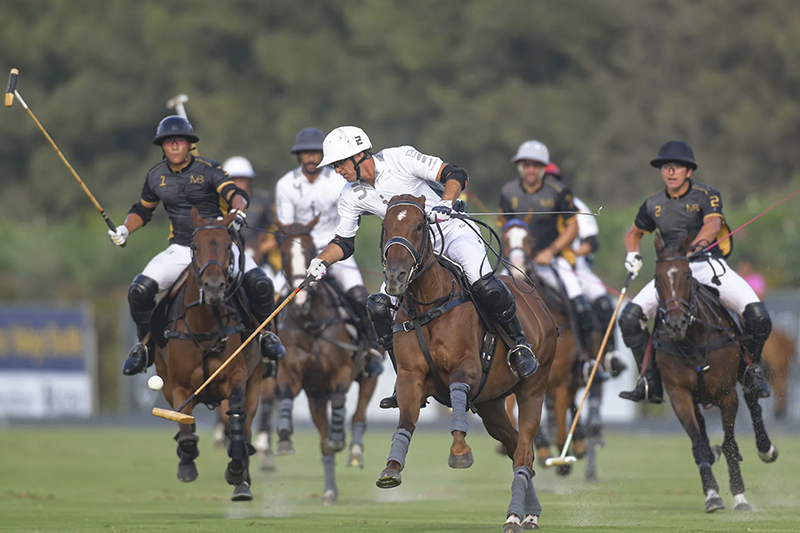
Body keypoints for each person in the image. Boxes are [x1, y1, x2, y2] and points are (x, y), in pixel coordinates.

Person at [305, 126, 540, 409]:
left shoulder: (399, 158)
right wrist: (321, 261)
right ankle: (401, 377)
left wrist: (446, 202)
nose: (337, 171)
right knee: (379, 307)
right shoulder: (351, 194)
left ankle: (519, 345)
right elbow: (344, 241)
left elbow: (455, 174)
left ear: (359, 155)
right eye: (334, 166)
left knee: (484, 284)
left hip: (451, 231)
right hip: (414, 252)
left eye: (339, 164)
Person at [109, 116, 285, 375]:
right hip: (181, 248)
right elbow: (143, 211)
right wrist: (125, 228)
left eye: (180, 141)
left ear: (190, 144)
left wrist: (239, 210)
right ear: (162, 147)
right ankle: (144, 347)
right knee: (139, 291)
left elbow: (236, 194)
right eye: (169, 142)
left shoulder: (209, 169)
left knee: (261, 284)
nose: (175, 146)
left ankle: (265, 337)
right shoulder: (155, 176)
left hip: (217, 246)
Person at [618, 140, 771, 403]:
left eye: (677, 167)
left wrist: (695, 247)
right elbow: (634, 233)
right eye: (666, 167)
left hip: (705, 266)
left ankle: (750, 371)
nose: (670, 172)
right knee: (629, 318)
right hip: (671, 272)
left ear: (689, 171)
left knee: (758, 316)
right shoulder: (653, 203)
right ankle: (650, 381)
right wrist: (632, 253)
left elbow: (712, 224)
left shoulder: (706, 194)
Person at [275, 127, 383, 377]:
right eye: (306, 154)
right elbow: (287, 227)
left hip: (336, 249)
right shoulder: (285, 185)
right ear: (298, 156)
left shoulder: (339, 180)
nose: (311, 158)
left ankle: (371, 350)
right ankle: (270, 352)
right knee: (274, 297)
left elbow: (349, 218)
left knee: (358, 295)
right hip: (300, 254)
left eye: (315, 153)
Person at [499, 141, 596, 363]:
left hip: (553, 260)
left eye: (535, 165)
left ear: (543, 167)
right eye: (526, 165)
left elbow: (573, 227)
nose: (530, 170)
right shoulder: (508, 192)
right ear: (519, 166)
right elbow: (504, 225)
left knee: (579, 303)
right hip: (517, 259)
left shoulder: (559, 192)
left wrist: (551, 251)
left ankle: (587, 360)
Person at [543, 162, 626, 377]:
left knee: (604, 304)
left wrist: (572, 253)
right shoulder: (533, 203)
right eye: (547, 180)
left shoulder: (576, 206)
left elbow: (591, 241)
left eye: (554, 179)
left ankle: (607, 355)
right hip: (539, 264)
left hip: (574, 267)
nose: (551, 184)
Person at [222, 156, 286, 296]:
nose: (238, 183)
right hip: (227, 259)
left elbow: (278, 229)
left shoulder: (263, 199)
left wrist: (265, 247)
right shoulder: (218, 203)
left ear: (249, 180)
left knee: (274, 291)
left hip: (260, 262)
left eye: (242, 179)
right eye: (234, 179)